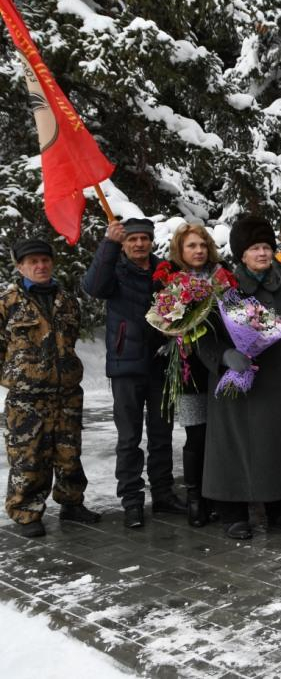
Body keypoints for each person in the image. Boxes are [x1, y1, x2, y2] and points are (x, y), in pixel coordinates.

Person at [196, 215, 281, 539]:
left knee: (277, 443)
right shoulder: (222, 287)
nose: (262, 253)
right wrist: (223, 356)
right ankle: (233, 513)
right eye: (253, 248)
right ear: (241, 254)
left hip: (279, 378)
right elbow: (202, 334)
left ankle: (280, 508)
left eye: (266, 247)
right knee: (233, 447)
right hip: (236, 379)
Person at [81, 217, 184, 528]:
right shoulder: (113, 269)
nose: (139, 244)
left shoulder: (165, 271)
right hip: (126, 366)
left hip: (161, 364)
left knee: (162, 435)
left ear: (151, 241)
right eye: (132, 239)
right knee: (129, 437)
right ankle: (132, 500)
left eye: (144, 238)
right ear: (124, 243)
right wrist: (108, 245)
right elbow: (93, 287)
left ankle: (163, 494)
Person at [2, 240, 100, 537]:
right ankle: (26, 511)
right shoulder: (7, 302)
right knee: (29, 456)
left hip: (67, 391)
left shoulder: (67, 300)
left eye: (45, 260)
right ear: (20, 267)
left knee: (69, 453)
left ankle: (72, 503)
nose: (40, 266)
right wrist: (14, 376)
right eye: (32, 261)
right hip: (27, 398)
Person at [159, 223, 225, 528]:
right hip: (190, 370)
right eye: (191, 246)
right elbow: (162, 321)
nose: (198, 251)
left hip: (222, 369)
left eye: (202, 245)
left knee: (222, 434)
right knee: (197, 435)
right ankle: (196, 499)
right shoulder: (171, 282)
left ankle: (221, 495)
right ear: (180, 251)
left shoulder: (223, 278)